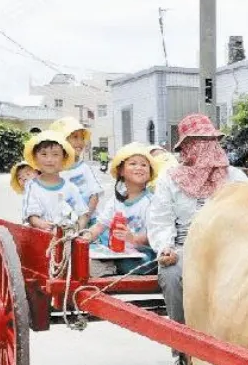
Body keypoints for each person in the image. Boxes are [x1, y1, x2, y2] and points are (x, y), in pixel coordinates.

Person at [146, 112, 248, 326]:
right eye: (198, 142)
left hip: (230, 248)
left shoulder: (235, 177)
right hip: (185, 247)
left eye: (210, 141)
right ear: (186, 147)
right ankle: (181, 348)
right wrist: (165, 248)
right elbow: (161, 219)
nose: (206, 147)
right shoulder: (170, 178)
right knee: (171, 274)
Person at [86, 143, 160, 274]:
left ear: (150, 172)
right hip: (117, 252)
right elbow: (99, 226)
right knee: (87, 251)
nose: (139, 168)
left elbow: (155, 236)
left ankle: (109, 270)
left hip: (142, 255)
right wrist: (85, 237)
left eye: (144, 165)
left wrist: (133, 238)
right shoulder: (115, 201)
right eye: (133, 164)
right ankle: (108, 268)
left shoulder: (152, 201)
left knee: (132, 264)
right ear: (121, 171)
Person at [20, 132, 89, 232]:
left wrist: (76, 230)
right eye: (44, 154)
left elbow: (83, 214)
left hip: (67, 239)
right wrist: (45, 226)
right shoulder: (32, 186)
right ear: (35, 158)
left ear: (64, 158)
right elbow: (31, 216)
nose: (49, 159)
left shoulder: (71, 188)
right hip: (42, 238)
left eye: (55, 154)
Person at [49, 117, 103, 218]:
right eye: (75, 137)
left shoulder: (83, 167)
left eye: (82, 138)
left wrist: (84, 219)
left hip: (89, 218)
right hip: (64, 222)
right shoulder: (52, 171)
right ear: (60, 141)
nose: (81, 142)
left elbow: (94, 195)